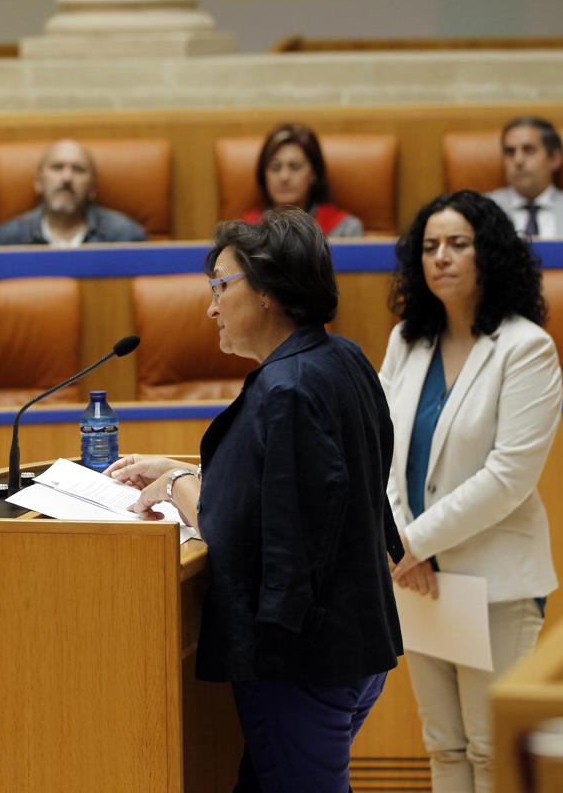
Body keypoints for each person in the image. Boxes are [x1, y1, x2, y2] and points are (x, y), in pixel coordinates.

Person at [106, 208, 403, 792]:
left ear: (267, 291)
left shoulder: (284, 390)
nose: (211, 306)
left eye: (221, 285)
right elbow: (320, 486)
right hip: (359, 639)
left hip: (301, 660)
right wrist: (183, 468)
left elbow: (238, 532)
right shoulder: (342, 360)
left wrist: (174, 487)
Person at [380, 190, 561, 793]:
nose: (442, 258)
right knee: (445, 747)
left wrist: (412, 541)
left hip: (494, 583)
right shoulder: (407, 341)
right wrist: (403, 545)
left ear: (491, 254)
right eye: (430, 247)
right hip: (419, 580)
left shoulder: (526, 347)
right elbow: (381, 447)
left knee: (493, 752)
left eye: (458, 244)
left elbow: (509, 476)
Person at [0, 138, 146, 246]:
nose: (67, 178)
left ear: (93, 188)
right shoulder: (4, 242)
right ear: (38, 183)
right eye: (57, 168)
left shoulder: (125, 237)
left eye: (78, 170)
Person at [241, 123, 364, 237]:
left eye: (295, 167)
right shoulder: (245, 231)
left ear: (314, 174)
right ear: (264, 174)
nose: (284, 177)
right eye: (275, 167)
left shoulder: (345, 230)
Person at [488, 116, 563, 238]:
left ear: (554, 158)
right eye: (510, 152)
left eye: (529, 150)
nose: (518, 160)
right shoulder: (483, 209)